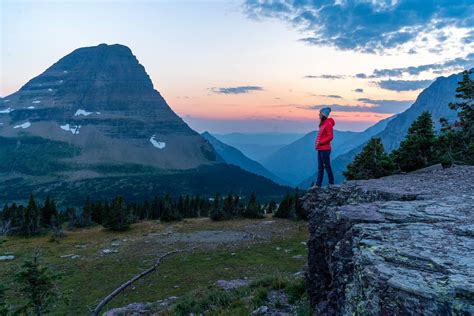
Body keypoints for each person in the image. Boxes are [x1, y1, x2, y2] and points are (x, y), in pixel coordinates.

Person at [314, 107, 335, 187]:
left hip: (325, 149)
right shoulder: (323, 124)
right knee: (320, 167)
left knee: (327, 166)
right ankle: (318, 184)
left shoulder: (328, 124)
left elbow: (330, 136)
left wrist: (320, 142)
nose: (318, 115)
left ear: (323, 114)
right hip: (320, 148)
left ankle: (331, 182)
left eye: (320, 113)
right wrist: (319, 144)